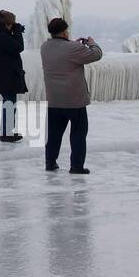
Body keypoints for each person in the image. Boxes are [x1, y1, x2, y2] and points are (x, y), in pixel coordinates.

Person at [40, 17, 102, 174]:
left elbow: (62, 52)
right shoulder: (73, 48)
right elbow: (96, 55)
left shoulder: (45, 47)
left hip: (54, 100)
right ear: (63, 31)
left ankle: (50, 162)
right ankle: (76, 166)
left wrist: (73, 44)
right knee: (78, 134)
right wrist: (91, 43)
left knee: (54, 134)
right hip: (75, 101)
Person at [0, 9, 26, 143]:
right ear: (6, 24)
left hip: (3, 76)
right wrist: (18, 32)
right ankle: (6, 133)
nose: (12, 27)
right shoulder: (0, 36)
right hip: (6, 77)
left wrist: (14, 31)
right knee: (9, 104)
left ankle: (6, 131)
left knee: (9, 103)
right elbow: (18, 47)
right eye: (11, 25)